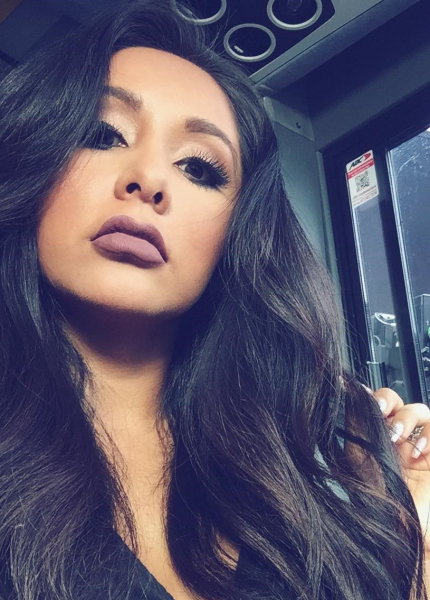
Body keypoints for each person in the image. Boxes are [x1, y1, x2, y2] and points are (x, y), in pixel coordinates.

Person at [0, 1, 429, 598]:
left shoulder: (285, 480)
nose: (149, 180)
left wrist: (412, 536)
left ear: (235, 236)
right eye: (102, 134)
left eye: (199, 169)